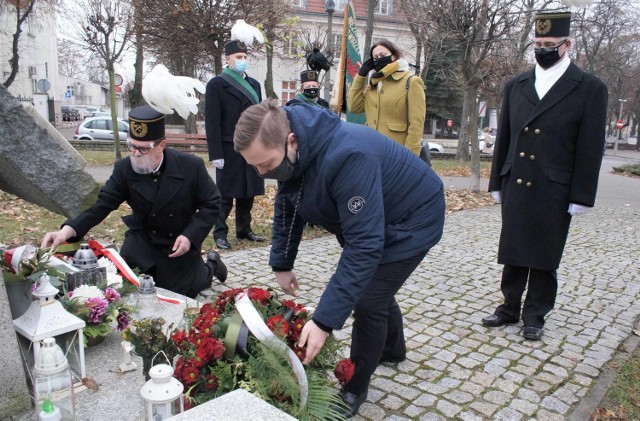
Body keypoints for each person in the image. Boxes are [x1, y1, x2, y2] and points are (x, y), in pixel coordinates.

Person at [233, 100, 445, 417]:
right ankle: (392, 348)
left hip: (413, 218)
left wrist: (323, 322)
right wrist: (282, 262)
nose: (262, 173)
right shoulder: (294, 153)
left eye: (266, 164)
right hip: (380, 217)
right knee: (377, 287)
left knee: (370, 299)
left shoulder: (347, 157)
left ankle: (355, 386)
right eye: (255, 166)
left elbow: (364, 247)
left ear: (291, 141)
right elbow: (291, 203)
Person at [483, 11, 608, 341]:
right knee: (513, 246)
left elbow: (590, 146)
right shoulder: (517, 84)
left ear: (567, 45)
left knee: (544, 251)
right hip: (518, 178)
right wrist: (497, 181)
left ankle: (535, 313)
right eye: (537, 44)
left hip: (555, 184)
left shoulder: (589, 88)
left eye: (550, 44)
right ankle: (509, 305)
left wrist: (582, 194)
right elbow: (505, 138)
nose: (543, 49)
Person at [42, 105, 228, 298]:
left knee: (182, 291)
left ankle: (212, 265)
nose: (136, 154)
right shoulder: (124, 169)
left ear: (161, 146)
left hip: (177, 242)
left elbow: (212, 203)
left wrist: (190, 236)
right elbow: (101, 204)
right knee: (126, 286)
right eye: (131, 146)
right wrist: (67, 231)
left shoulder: (190, 166)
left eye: (143, 149)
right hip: (143, 240)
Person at [205, 39, 265, 250]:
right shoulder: (216, 84)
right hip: (228, 146)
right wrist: (216, 153)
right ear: (228, 59)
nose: (243, 61)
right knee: (225, 194)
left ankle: (244, 229)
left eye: (245, 57)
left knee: (248, 190)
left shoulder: (255, 85)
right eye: (239, 57)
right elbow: (212, 121)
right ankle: (220, 233)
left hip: (251, 146)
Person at [347, 39, 426, 157]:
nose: (378, 59)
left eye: (382, 55)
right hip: (371, 150)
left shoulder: (411, 81)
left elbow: (416, 124)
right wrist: (361, 76)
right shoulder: (374, 84)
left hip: (397, 152)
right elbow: (354, 107)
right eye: (375, 57)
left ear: (393, 56)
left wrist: (410, 157)